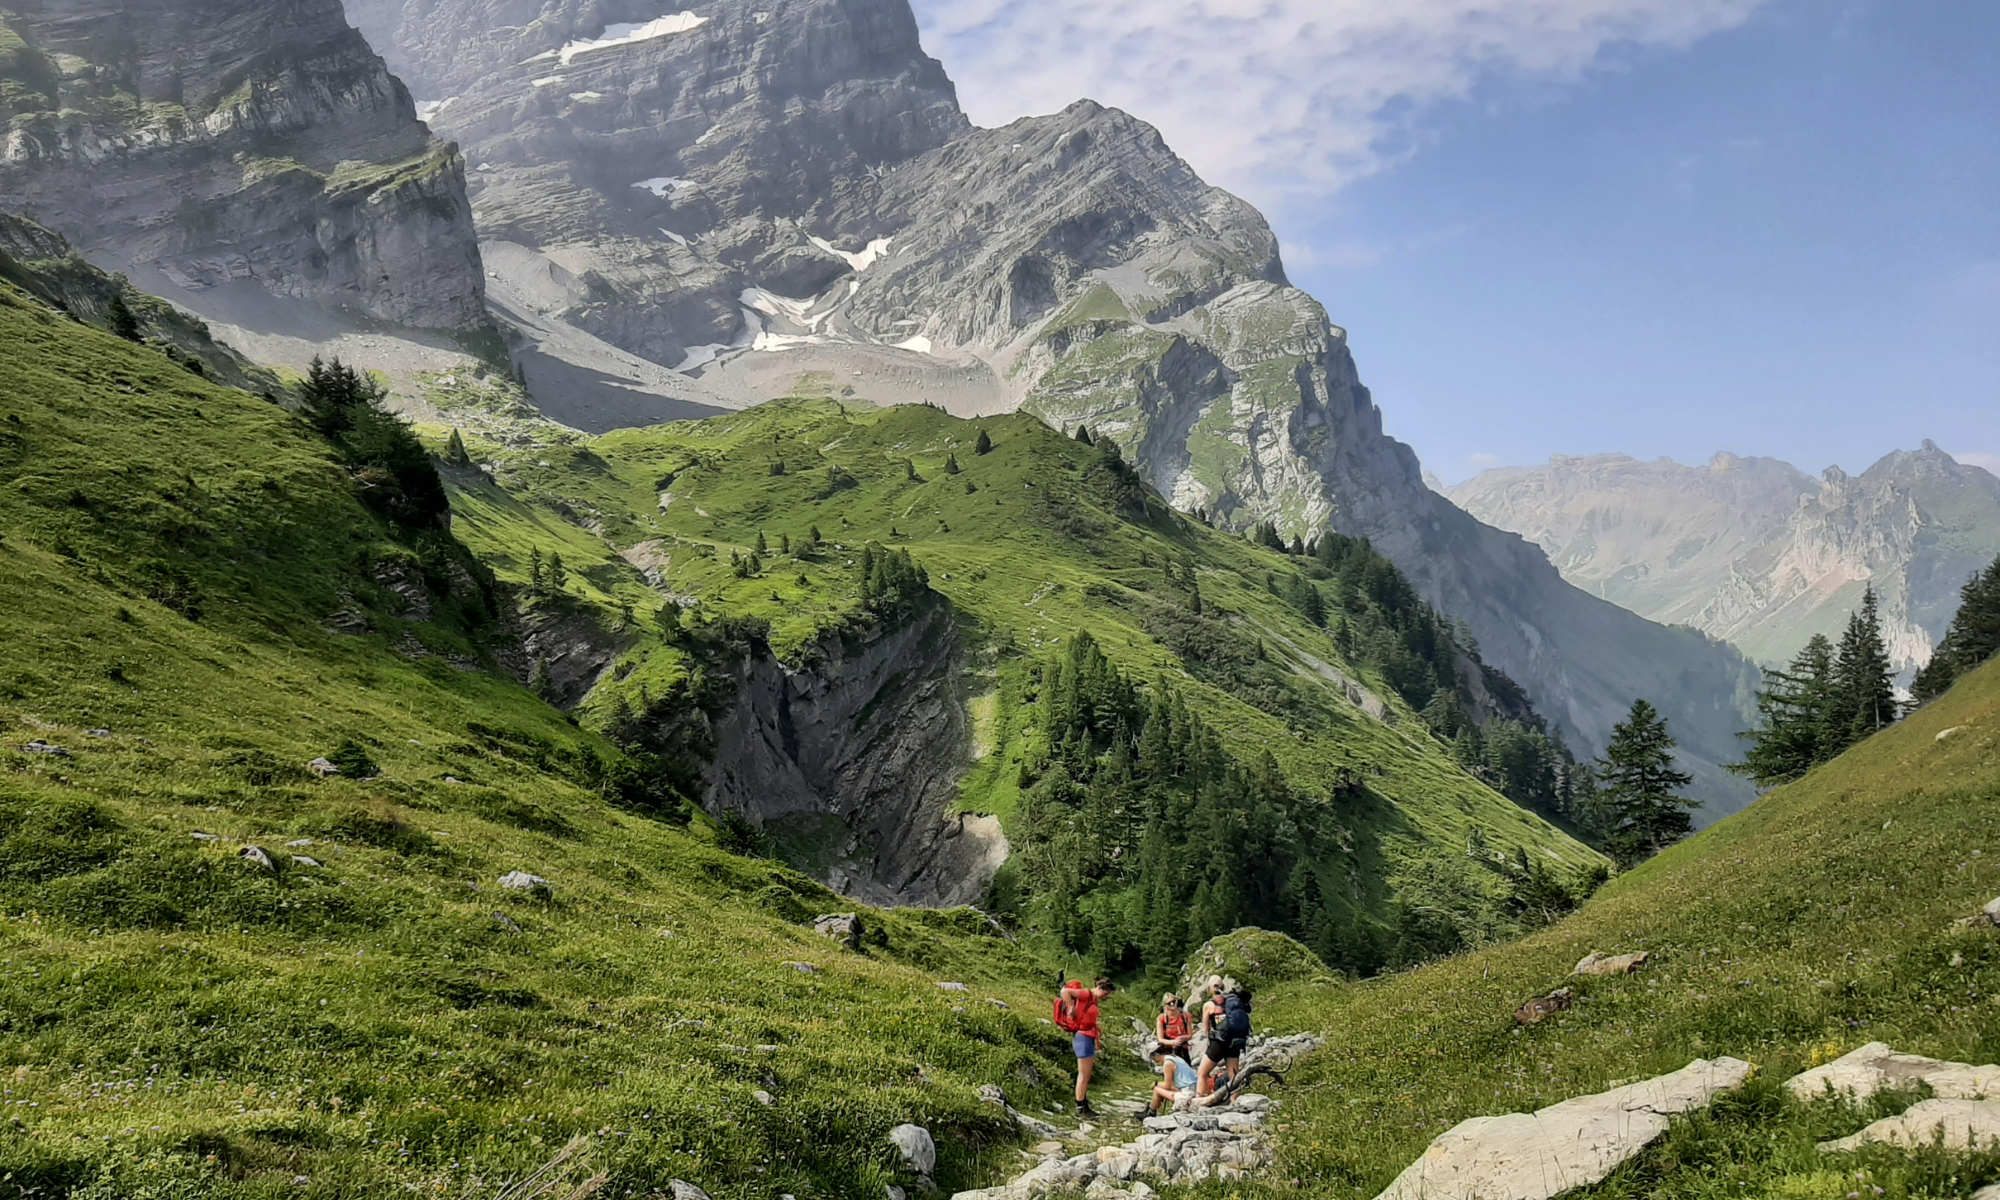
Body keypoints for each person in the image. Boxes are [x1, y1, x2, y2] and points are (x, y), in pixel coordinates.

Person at [1054, 976, 1114, 1118]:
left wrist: (1095, 1024)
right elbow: (1065, 992)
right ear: (1100, 988)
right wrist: (1071, 1007)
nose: (1105, 997)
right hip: (1083, 1037)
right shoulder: (1086, 994)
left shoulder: (1092, 998)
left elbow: (1087, 1013)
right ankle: (1081, 1107)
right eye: (1105, 994)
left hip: (1088, 1035)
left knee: (1086, 1074)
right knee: (1084, 1074)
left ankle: (1084, 1104)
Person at [1196, 980, 1252, 1100]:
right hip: (1235, 1040)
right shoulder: (1235, 1000)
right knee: (1234, 1076)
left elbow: (1206, 1030)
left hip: (1219, 1041)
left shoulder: (1209, 1005)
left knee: (1202, 1073)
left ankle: (1200, 1101)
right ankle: (1235, 1102)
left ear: (1210, 989)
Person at [1144, 1041, 1198, 1115]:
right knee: (1161, 1089)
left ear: (1155, 1055)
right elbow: (1172, 1085)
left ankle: (1151, 1113)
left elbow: (1167, 1085)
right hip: (1193, 1088)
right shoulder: (1174, 1057)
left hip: (1187, 1094)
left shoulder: (1168, 1063)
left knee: (1157, 1089)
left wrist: (1156, 1084)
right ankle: (1151, 1110)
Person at [1155, 993, 1193, 1063]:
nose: (1172, 1004)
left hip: (1183, 1048)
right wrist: (1173, 1042)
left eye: (1173, 1001)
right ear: (1165, 1005)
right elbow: (1160, 1039)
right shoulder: (1162, 1019)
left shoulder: (1185, 1016)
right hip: (1169, 1050)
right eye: (1169, 1003)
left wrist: (1182, 1038)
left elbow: (1190, 1035)